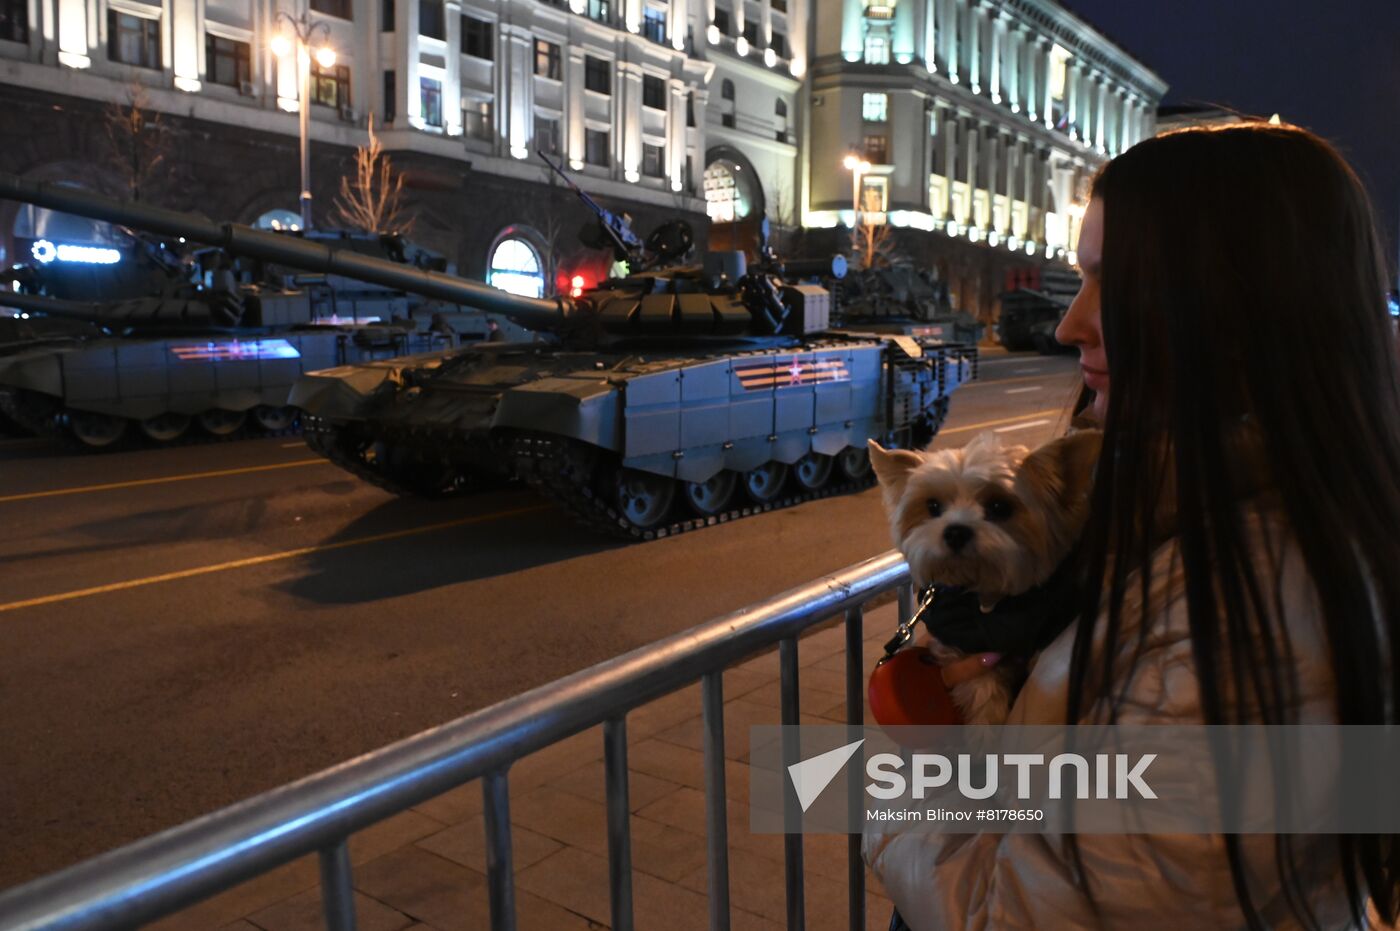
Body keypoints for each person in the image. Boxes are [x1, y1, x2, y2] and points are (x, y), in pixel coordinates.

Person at [864, 122, 1400, 929]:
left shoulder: (1240, 624)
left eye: (1110, 284)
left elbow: (1006, 913)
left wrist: (890, 780)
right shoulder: (1206, 522)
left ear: (1237, 307)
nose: (1071, 323)